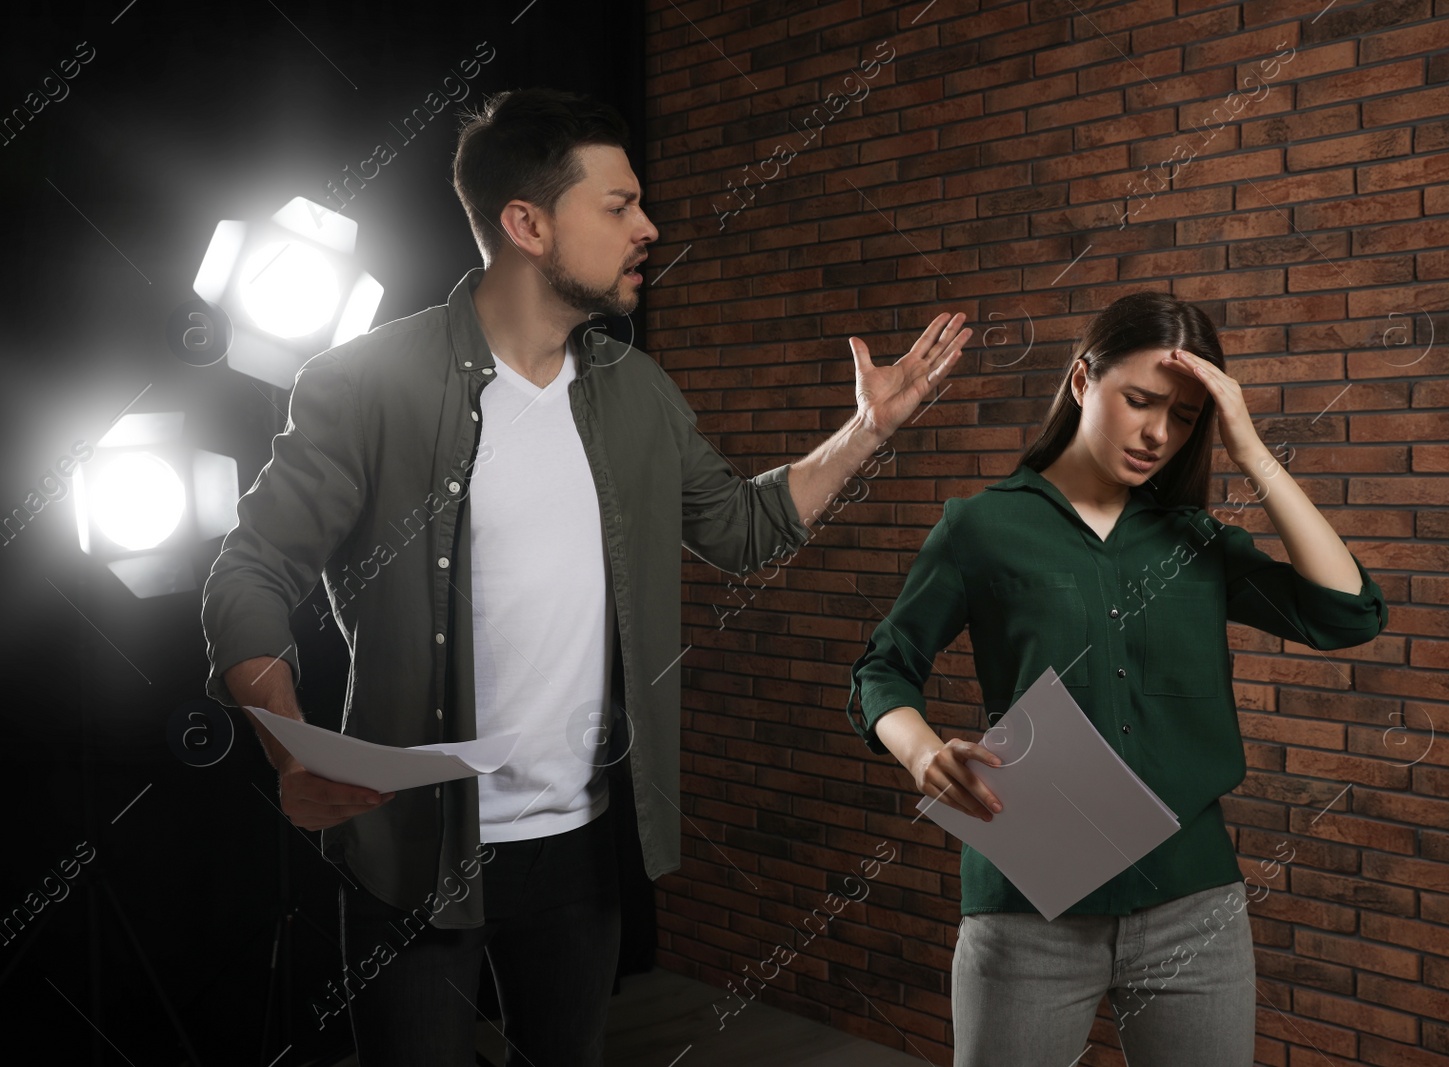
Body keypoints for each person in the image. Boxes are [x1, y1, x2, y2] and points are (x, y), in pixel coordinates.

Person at [201, 86, 972, 1067]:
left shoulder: (636, 391)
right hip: (411, 852)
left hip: (583, 850)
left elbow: (739, 528)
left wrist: (870, 429)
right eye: (618, 206)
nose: (647, 228)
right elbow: (250, 569)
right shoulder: (366, 384)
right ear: (526, 222)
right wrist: (292, 746)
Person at [845, 292, 1388, 1066]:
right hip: (1027, 906)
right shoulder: (980, 528)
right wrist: (921, 750)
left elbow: (1348, 614)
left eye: (1187, 418)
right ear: (1079, 382)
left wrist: (1253, 452)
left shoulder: (1194, 542)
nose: (1160, 433)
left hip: (1193, 907)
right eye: (1140, 401)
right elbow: (883, 668)